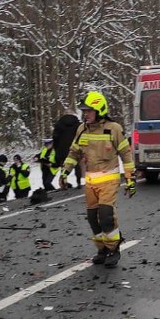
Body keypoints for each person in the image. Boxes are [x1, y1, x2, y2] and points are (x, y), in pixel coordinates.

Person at [58, 91, 136, 268]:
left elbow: (126, 154)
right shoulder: (82, 129)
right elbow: (74, 152)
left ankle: (113, 249)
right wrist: (65, 172)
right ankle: (101, 249)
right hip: (91, 182)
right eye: (84, 111)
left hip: (109, 180)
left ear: (99, 110)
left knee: (106, 215)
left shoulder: (113, 129)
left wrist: (130, 179)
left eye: (88, 111)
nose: (85, 114)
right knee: (93, 217)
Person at [52, 111, 83, 188]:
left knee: (64, 164)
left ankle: (64, 181)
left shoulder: (59, 124)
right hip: (74, 147)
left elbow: (55, 138)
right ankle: (78, 181)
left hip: (62, 148)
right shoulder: (77, 124)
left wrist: (56, 148)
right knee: (77, 164)